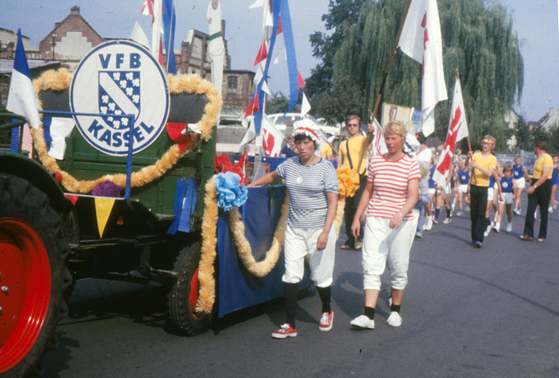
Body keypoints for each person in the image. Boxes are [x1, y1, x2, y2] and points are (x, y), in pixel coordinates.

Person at [248, 127, 339, 338]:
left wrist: (326, 232)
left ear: (314, 144)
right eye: (298, 143)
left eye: (306, 142)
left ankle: (326, 310)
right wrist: (250, 186)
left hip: (319, 228)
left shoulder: (326, 168)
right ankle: (290, 324)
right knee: (291, 275)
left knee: (320, 275)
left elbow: (333, 202)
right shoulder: (289, 165)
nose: (302, 147)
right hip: (294, 229)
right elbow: (271, 176)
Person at [349, 121, 420, 329]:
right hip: (375, 219)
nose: (390, 142)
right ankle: (368, 315)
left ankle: (395, 311)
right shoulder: (377, 162)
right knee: (371, 264)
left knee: (398, 265)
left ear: (402, 140)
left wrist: (401, 213)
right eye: (387, 138)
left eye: (394, 138)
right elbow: (368, 191)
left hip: (400, 222)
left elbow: (414, 195)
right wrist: (357, 217)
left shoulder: (411, 164)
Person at [337, 115, 369, 250]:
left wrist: (371, 132)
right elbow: (340, 161)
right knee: (347, 209)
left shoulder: (363, 139)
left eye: (354, 125)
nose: (351, 127)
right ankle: (350, 239)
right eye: (349, 125)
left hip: (361, 176)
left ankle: (359, 238)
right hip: (347, 179)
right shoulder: (343, 144)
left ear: (359, 127)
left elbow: (371, 139)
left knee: (358, 207)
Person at [466, 136, 497, 248]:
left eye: (488, 144)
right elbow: (467, 165)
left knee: (481, 212)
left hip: (484, 187)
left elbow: (489, 173)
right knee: (473, 213)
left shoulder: (492, 158)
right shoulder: (476, 155)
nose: (485, 146)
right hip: (474, 186)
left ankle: (480, 238)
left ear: (491, 146)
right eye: (484, 143)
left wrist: (477, 166)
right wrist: (468, 157)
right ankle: (474, 237)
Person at [520, 140, 553, 242]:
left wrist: (534, 187)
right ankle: (528, 234)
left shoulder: (547, 158)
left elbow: (545, 175)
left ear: (537, 148)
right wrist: (532, 183)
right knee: (530, 209)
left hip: (544, 185)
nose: (533, 149)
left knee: (543, 211)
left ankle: (542, 235)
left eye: (534, 147)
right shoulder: (538, 158)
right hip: (535, 182)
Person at [495, 164, 516, 233]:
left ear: (511, 173)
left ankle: (509, 224)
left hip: (509, 195)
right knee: (500, 211)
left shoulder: (512, 180)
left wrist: (514, 194)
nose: (506, 174)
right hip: (502, 194)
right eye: (505, 172)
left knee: (508, 211)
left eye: (508, 172)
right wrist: (500, 195)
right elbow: (499, 188)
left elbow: (515, 188)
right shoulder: (501, 179)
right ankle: (497, 225)